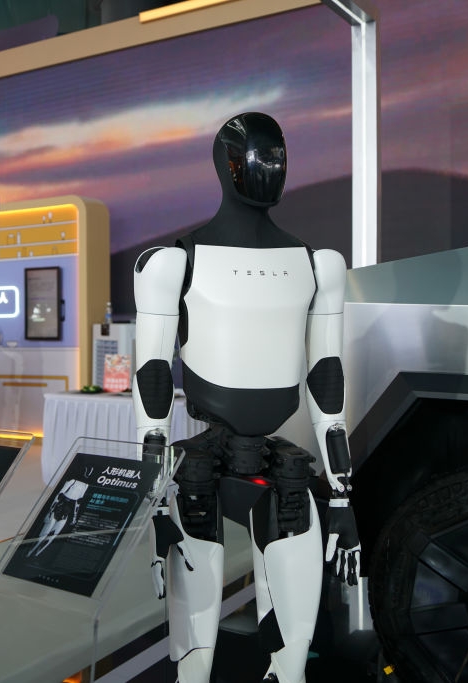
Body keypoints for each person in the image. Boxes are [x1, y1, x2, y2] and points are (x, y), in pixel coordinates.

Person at [132, 112, 360, 683]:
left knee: (291, 661)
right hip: (200, 471)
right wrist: (153, 501)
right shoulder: (173, 263)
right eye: (257, 157)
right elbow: (152, 377)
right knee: (194, 661)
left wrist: (340, 495)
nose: (268, 168)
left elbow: (326, 378)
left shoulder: (318, 265)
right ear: (226, 165)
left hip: (281, 471)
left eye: (276, 157)